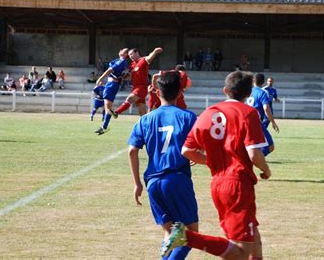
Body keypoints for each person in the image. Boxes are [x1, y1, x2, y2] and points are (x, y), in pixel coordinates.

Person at [162, 71, 272, 260]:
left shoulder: (208, 113)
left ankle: (186, 236)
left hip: (218, 183)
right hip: (237, 184)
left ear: (225, 90)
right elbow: (254, 153)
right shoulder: (248, 113)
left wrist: (213, 163)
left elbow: (187, 151)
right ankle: (187, 237)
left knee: (254, 243)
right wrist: (266, 169)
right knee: (240, 252)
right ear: (248, 94)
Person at [128, 71, 199, 260]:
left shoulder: (145, 119)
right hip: (176, 178)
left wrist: (137, 184)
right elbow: (198, 146)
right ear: (180, 93)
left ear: (157, 92)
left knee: (170, 234)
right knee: (191, 233)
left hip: (152, 182)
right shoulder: (188, 117)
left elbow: (132, 151)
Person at [113, 47, 163, 117]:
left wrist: (155, 51)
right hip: (135, 87)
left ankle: (116, 112)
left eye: (131, 54)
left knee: (130, 99)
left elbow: (150, 57)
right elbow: (129, 76)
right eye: (129, 56)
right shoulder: (132, 65)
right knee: (142, 113)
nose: (130, 56)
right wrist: (124, 77)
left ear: (137, 53)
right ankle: (147, 125)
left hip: (141, 87)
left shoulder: (143, 60)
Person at [94, 48, 130, 135]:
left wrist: (99, 78)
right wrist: (122, 77)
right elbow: (125, 75)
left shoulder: (121, 61)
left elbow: (110, 70)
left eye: (124, 51)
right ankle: (105, 126)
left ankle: (107, 123)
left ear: (125, 55)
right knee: (107, 107)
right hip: (111, 84)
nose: (121, 50)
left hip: (112, 85)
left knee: (108, 106)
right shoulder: (120, 61)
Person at [246, 73, 279, 156]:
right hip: (256, 122)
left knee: (254, 145)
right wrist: (273, 122)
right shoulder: (263, 92)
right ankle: (254, 159)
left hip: (246, 121)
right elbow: (266, 108)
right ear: (264, 82)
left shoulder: (249, 91)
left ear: (253, 81)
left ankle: (252, 158)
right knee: (270, 146)